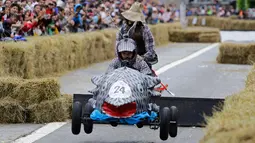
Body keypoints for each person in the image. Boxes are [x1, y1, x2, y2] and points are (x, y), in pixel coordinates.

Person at [115, 2, 158, 70]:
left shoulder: (144, 29)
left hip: (143, 64)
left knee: (150, 79)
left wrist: (139, 59)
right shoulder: (121, 30)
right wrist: (122, 59)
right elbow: (117, 49)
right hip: (124, 64)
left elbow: (151, 51)